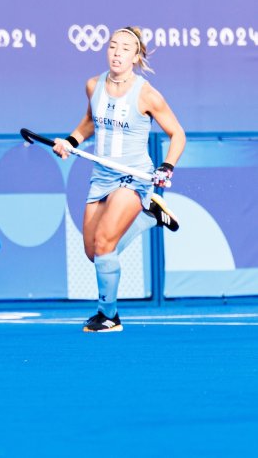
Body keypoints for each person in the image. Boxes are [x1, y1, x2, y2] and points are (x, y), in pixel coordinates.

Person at [53, 26, 186, 333]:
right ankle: (149, 217)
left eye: (125, 48)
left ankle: (108, 315)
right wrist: (71, 142)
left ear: (136, 56)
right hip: (101, 177)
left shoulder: (147, 94)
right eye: (113, 46)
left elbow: (177, 134)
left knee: (104, 244)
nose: (117, 52)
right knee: (94, 252)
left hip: (133, 177)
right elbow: (90, 121)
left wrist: (167, 166)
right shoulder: (92, 85)